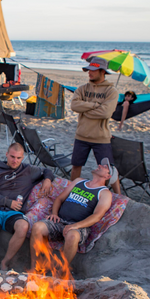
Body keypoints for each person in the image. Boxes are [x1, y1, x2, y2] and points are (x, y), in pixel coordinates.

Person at [0, 143, 54, 275]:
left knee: (23, 226)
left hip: (13, 213)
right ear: (6, 154)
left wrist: (47, 180)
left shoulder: (28, 170)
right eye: (12, 157)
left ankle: (5, 262)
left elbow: (48, 171)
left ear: (23, 157)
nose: (15, 161)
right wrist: (7, 202)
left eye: (18, 158)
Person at [30, 159, 114, 270]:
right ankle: (34, 267)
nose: (99, 165)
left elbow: (97, 216)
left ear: (108, 176)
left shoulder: (104, 193)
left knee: (72, 236)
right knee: (37, 227)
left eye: (105, 166)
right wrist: (54, 213)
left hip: (79, 227)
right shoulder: (79, 181)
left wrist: (75, 226)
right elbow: (60, 198)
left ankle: (60, 272)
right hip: (59, 221)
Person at [70, 56, 121, 195]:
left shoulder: (111, 91)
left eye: (93, 70)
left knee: (108, 170)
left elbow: (105, 113)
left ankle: (119, 196)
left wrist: (85, 110)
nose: (89, 73)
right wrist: (94, 106)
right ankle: (71, 192)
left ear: (102, 71)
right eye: (88, 70)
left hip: (101, 138)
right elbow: (74, 105)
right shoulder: (82, 89)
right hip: (81, 135)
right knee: (76, 166)